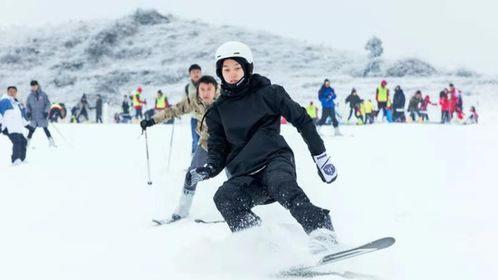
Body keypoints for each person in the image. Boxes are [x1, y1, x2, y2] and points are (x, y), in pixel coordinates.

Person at [187, 41, 339, 255]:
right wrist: (209, 168)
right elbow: (218, 149)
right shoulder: (218, 111)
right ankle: (260, 245)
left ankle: (322, 231)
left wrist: (321, 158)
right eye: (226, 69)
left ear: (247, 67)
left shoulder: (270, 93)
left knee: (282, 185)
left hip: (274, 160)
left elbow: (302, 119)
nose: (231, 74)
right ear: (220, 72)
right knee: (224, 197)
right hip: (245, 175)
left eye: (237, 68)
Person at [140, 76, 219, 223]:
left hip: (230, 143)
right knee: (192, 173)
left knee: (235, 174)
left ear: (216, 90)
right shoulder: (194, 100)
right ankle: (182, 209)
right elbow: (174, 110)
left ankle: (240, 207)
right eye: (202, 89)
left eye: (209, 89)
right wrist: (152, 121)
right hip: (207, 144)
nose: (205, 93)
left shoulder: (226, 99)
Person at [0, 86, 28, 165]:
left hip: (16, 127)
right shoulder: (5, 101)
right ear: (7, 92)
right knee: (17, 141)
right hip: (8, 127)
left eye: (14, 92)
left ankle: (22, 159)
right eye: (10, 91)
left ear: (16, 93)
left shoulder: (16, 103)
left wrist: (27, 125)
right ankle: (16, 160)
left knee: (23, 141)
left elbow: (21, 115)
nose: (12, 93)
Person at [25, 80, 56, 147]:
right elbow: (27, 105)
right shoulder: (30, 96)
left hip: (42, 115)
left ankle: (51, 142)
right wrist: (28, 112)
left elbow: (48, 104)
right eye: (32, 86)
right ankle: (27, 143)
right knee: (31, 130)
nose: (34, 87)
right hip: (34, 116)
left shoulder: (43, 94)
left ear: (37, 85)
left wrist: (46, 111)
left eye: (35, 86)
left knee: (45, 128)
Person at [185, 64, 203, 155]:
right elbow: (184, 102)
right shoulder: (187, 87)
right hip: (194, 118)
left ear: (201, 73)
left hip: (206, 118)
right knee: (195, 140)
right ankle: (194, 162)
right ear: (190, 74)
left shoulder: (207, 85)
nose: (196, 74)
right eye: (193, 72)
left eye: (197, 72)